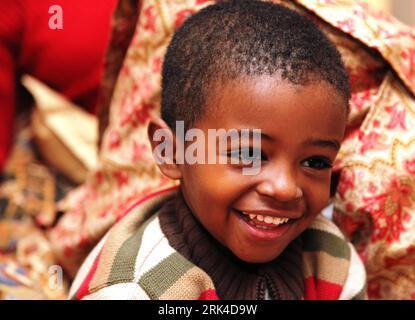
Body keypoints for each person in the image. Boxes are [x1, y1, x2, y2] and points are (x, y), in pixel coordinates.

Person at [68, 0, 366, 300]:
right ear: (171, 150)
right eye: (249, 154)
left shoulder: (331, 258)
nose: (286, 189)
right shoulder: (136, 290)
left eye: (315, 162)